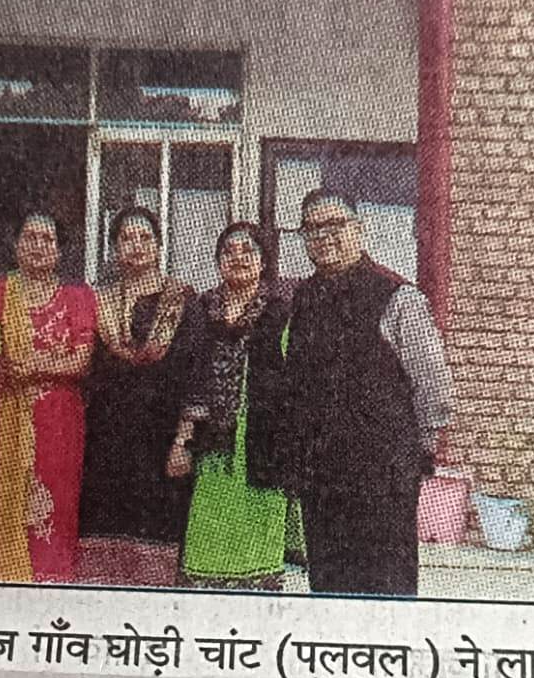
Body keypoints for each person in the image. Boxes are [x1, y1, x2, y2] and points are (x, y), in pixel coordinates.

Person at [283, 189, 453, 596]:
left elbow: (433, 382)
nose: (324, 236)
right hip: (322, 473)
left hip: (383, 472)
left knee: (385, 586)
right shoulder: (302, 299)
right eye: (312, 229)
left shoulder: (398, 296)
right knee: (328, 585)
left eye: (335, 225)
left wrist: (419, 451)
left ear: (358, 229)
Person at [0, 212, 98, 582]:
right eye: (30, 237)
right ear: (16, 244)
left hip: (56, 422)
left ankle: (48, 582)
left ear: (60, 249)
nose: (38, 246)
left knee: (52, 504)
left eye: (48, 239)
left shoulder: (77, 297)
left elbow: (80, 361)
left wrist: (29, 365)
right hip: (0, 416)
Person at [166, 222, 290, 588]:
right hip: (211, 448)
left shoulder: (281, 312)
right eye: (228, 252)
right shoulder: (201, 309)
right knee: (206, 545)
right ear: (218, 261)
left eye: (248, 250)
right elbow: (192, 379)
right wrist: (182, 441)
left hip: (262, 444)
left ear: (264, 261)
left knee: (258, 560)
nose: (238, 258)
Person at [79, 207, 194, 586]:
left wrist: (183, 440)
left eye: (146, 237)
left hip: (161, 439)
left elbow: (193, 376)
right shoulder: (99, 303)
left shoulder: (181, 301)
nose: (137, 245)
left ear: (159, 245)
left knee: (157, 540)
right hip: (106, 442)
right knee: (103, 537)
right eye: (127, 238)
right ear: (113, 248)